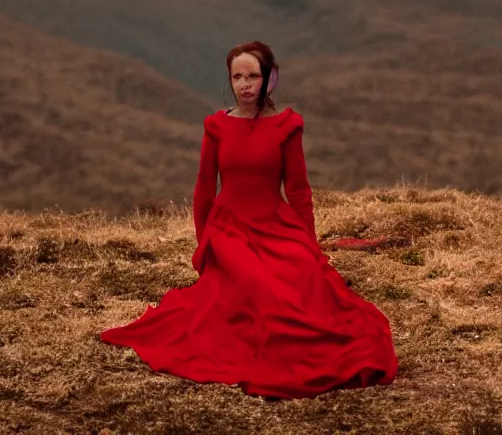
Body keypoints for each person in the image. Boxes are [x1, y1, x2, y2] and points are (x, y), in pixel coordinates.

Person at [100, 41, 399, 398]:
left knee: (305, 279)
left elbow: (299, 192)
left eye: (252, 76)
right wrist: (204, 246)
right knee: (258, 285)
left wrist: (310, 244)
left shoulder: (287, 126)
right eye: (237, 77)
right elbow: (204, 191)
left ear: (268, 79)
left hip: (276, 225)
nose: (244, 84)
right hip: (229, 230)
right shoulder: (216, 127)